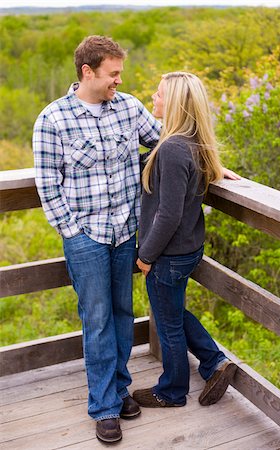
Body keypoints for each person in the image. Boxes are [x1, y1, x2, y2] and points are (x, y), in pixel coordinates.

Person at [32, 35, 162, 444]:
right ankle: (104, 407)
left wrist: (214, 165)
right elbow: (48, 188)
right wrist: (72, 231)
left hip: (125, 232)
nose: (119, 81)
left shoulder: (128, 108)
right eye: (113, 74)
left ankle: (120, 389)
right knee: (98, 319)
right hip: (85, 236)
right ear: (87, 72)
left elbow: (165, 144)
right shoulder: (52, 120)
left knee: (123, 314)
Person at [133, 72, 238, 410]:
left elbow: (168, 214)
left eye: (160, 94)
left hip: (168, 254)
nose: (153, 97)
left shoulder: (174, 149)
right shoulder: (190, 142)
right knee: (172, 313)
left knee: (168, 326)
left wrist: (146, 255)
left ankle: (172, 391)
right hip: (187, 249)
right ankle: (214, 361)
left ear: (176, 102)